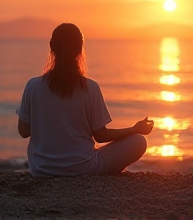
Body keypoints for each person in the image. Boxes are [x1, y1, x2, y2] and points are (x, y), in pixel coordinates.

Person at [16, 23, 154, 177]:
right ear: (80, 49)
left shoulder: (33, 86)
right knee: (138, 141)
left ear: (51, 46)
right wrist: (135, 129)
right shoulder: (90, 88)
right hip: (84, 169)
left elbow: (23, 131)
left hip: (42, 170)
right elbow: (101, 136)